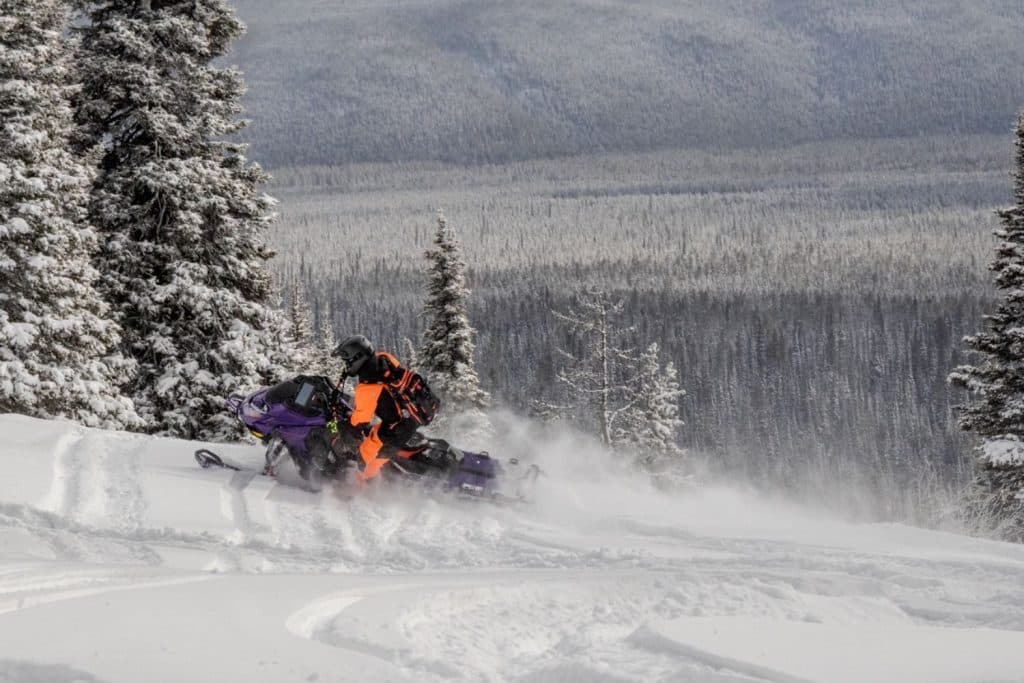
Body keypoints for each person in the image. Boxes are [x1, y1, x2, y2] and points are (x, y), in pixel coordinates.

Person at [333, 335, 439, 480]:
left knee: (363, 460)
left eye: (347, 361)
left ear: (357, 358)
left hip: (395, 431)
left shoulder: (367, 385)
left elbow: (360, 420)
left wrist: (342, 424)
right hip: (406, 417)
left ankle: (361, 492)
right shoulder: (384, 359)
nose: (346, 365)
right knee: (373, 432)